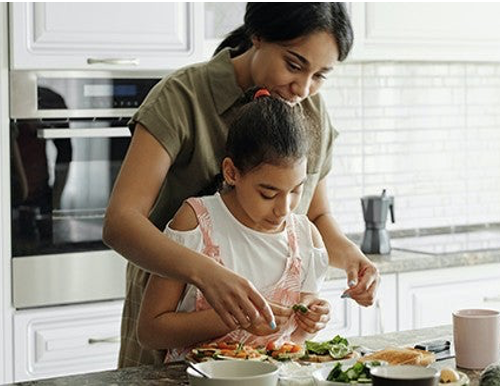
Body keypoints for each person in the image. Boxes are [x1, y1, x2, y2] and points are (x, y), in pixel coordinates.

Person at [103, 3, 380, 367]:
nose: (303, 87)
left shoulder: (311, 109)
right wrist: (206, 274)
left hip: (264, 354)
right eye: (294, 65)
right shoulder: (183, 97)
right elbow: (120, 221)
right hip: (172, 326)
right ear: (257, 36)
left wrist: (352, 258)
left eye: (320, 75)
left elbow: (315, 213)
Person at [137, 89, 330, 362]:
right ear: (231, 172)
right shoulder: (197, 222)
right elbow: (150, 331)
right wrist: (234, 319)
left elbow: (297, 338)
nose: (284, 209)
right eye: (268, 193)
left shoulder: (306, 237)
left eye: (296, 190)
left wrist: (312, 320)